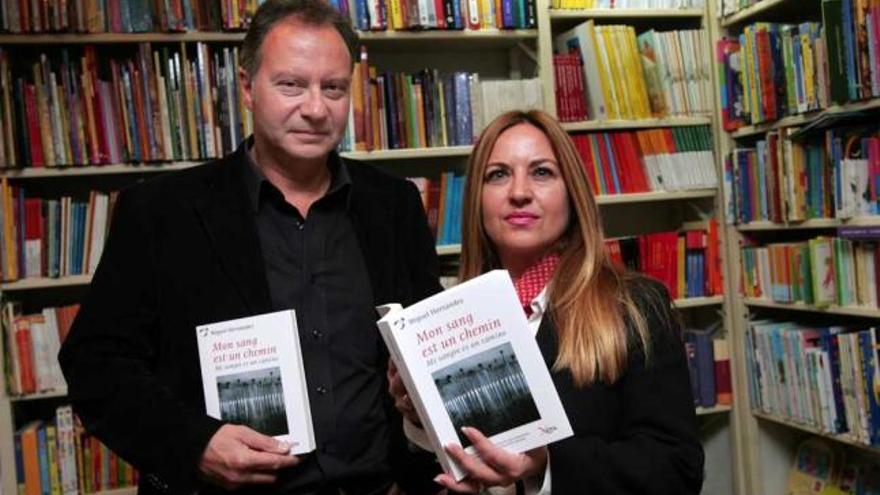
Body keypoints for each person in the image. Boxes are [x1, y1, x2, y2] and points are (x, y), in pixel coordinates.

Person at [58, 1, 443, 494]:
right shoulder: (161, 212)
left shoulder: (394, 204)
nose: (315, 108)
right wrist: (196, 444)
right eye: (291, 85)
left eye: (334, 88)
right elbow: (96, 365)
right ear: (246, 88)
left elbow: (421, 348)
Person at [388, 110, 705, 494]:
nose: (519, 192)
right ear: (477, 200)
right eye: (498, 174)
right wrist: (422, 421)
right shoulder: (449, 321)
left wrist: (546, 463)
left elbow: (677, 470)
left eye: (541, 172)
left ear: (572, 193)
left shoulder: (635, 306)